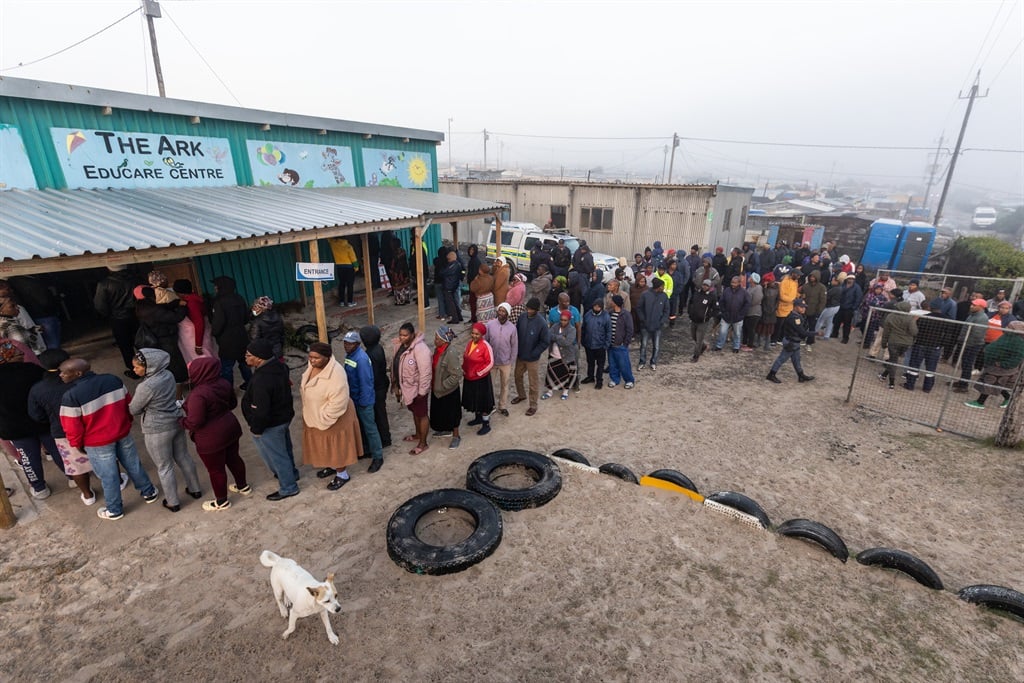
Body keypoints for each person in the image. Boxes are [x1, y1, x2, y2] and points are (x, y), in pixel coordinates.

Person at [59, 357, 159, 520]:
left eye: (64, 372)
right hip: (122, 433)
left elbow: (72, 426)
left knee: (109, 476)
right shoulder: (113, 380)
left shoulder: (70, 396)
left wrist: (76, 444)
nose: (61, 375)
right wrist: (126, 423)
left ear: (78, 373)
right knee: (133, 464)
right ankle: (149, 492)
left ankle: (114, 509)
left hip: (97, 443)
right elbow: (129, 404)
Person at [128, 348, 203, 512]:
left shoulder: (145, 386)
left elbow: (133, 409)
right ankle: (195, 489)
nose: (134, 370)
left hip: (156, 429)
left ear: (150, 367)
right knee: (183, 456)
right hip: (175, 420)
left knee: (164, 466)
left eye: (137, 367)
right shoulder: (168, 374)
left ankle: (173, 501)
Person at [181, 355, 250, 511]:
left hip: (210, 437)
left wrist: (180, 421)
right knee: (234, 458)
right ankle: (243, 486)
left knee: (216, 470)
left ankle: (221, 501)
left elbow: (195, 422)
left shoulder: (198, 394)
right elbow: (233, 403)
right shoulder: (224, 383)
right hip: (230, 427)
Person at [27, 348, 96, 504]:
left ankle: (87, 496)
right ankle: (117, 481)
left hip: (62, 432)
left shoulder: (38, 389)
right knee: (105, 457)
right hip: (91, 426)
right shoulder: (81, 380)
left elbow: (37, 415)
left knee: (76, 466)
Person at [301, 341, 363, 491]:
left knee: (336, 447)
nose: (312, 360)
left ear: (327, 358)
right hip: (314, 415)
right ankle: (331, 465)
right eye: (310, 357)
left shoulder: (336, 374)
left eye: (316, 358)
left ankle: (342, 474)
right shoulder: (313, 367)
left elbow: (338, 403)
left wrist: (324, 417)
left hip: (334, 419)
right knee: (324, 446)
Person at [242, 338, 298, 501]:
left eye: (248, 355)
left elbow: (262, 410)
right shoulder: (280, 367)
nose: (246, 357)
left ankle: (288, 487)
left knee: (276, 456)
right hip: (283, 417)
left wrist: (256, 429)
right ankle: (291, 474)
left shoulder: (262, 380)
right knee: (285, 449)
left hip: (270, 424)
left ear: (259, 357)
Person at [0, 339, 56, 499]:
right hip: (41, 420)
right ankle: (73, 478)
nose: (22, 353)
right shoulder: (32, 370)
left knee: (28, 457)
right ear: (7, 356)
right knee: (57, 450)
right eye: (17, 352)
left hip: (15, 427)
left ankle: (39, 489)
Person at [134, 285, 188, 396]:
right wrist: (182, 307)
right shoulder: (153, 309)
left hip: (156, 338)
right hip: (164, 338)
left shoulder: (141, 306)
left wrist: (174, 303)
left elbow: (163, 307)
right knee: (174, 363)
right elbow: (175, 317)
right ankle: (178, 392)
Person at [340, 332, 383, 470]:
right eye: (345, 343)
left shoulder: (361, 359)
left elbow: (366, 383)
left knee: (370, 429)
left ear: (357, 344)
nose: (346, 346)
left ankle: (378, 457)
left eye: (350, 343)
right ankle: (366, 450)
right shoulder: (351, 356)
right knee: (362, 428)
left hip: (363, 401)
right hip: (354, 399)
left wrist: (364, 403)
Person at [964, 321, 1024, 409]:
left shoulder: (1018, 342)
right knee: (998, 384)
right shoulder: (1007, 337)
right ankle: (1008, 398)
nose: (1006, 328)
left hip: (1002, 368)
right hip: (995, 365)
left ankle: (980, 402)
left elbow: (1017, 357)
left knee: (990, 383)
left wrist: (1003, 364)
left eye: (1010, 327)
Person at [93, 265, 139, 378]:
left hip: (118, 318)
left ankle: (135, 370)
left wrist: (109, 314)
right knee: (143, 341)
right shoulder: (137, 279)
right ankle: (150, 366)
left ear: (109, 268)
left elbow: (100, 305)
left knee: (125, 346)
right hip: (139, 315)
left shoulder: (104, 283)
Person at [393, 322, 432, 455]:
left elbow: (425, 372)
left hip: (418, 389)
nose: (402, 337)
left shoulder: (421, 349)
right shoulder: (400, 346)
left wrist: (422, 391)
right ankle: (417, 434)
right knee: (415, 412)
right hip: (407, 388)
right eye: (400, 335)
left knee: (422, 414)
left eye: (405, 335)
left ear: (412, 335)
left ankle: (423, 443)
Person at [210, 276, 253, 388]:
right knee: (244, 363)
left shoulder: (219, 302)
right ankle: (250, 384)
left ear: (220, 287)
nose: (215, 288)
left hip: (227, 339)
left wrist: (214, 333)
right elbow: (246, 318)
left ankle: (228, 390)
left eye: (216, 286)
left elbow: (218, 322)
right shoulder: (239, 298)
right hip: (241, 336)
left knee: (227, 367)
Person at [513, 298, 550, 416]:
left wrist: (535, 352)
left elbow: (545, 341)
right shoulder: (522, 317)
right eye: (527, 308)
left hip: (532, 359)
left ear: (536, 310)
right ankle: (521, 395)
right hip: (520, 355)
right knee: (517, 376)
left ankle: (533, 405)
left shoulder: (542, 323)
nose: (528, 311)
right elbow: (517, 333)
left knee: (533, 382)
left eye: (531, 309)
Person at [766, 298, 815, 384]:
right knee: (782, 359)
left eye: (804, 307)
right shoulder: (794, 318)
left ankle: (801, 375)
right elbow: (802, 331)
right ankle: (771, 374)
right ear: (795, 307)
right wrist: (815, 333)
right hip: (791, 342)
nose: (804, 309)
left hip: (794, 342)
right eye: (801, 307)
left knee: (796, 359)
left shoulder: (796, 316)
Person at [359, 325, 392, 449]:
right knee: (381, 412)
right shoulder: (378, 347)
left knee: (379, 413)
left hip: (377, 387)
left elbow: (371, 375)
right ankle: (385, 437)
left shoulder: (370, 354)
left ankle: (384, 439)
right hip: (382, 384)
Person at [8, 275, 61, 350]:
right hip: (43, 315)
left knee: (45, 345)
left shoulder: (13, 280)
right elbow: (44, 301)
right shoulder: (25, 281)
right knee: (52, 345)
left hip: (34, 316)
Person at [173, 279, 217, 366]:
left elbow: (199, 323)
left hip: (196, 338)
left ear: (180, 293)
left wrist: (198, 345)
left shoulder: (191, 303)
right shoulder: (196, 298)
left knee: (203, 361)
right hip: (203, 334)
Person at [485, 302, 518, 417]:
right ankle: (490, 405)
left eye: (503, 311)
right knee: (490, 384)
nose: (501, 313)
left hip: (506, 362)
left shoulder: (512, 328)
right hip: (492, 362)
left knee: (505, 384)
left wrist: (511, 360)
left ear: (507, 314)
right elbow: (486, 341)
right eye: (500, 310)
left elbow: (514, 346)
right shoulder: (490, 325)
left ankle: (502, 406)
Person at [952, 298, 993, 393]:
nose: (971, 306)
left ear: (981, 307)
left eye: (974, 305)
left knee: (967, 364)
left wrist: (967, 343)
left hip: (972, 344)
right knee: (965, 363)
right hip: (967, 343)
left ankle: (964, 385)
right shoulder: (973, 315)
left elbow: (977, 334)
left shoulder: (981, 318)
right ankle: (962, 381)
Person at [462, 322, 495, 434]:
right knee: (474, 400)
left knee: (483, 402)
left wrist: (479, 373)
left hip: (481, 380)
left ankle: (486, 424)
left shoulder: (486, 346)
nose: (474, 336)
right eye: (473, 333)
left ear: (482, 335)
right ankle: (478, 418)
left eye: (477, 334)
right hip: (469, 378)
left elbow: (490, 362)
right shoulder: (469, 344)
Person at [878, 301, 917, 389]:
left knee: (893, 361)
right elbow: (914, 331)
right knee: (894, 360)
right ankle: (884, 375)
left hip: (894, 342)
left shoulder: (891, 316)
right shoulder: (910, 318)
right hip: (906, 343)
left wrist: (884, 343)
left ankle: (891, 382)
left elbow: (886, 332)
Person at [543, 310, 578, 401]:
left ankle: (565, 392)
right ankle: (549, 391)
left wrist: (556, 337)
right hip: (553, 355)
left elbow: (567, 342)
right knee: (551, 374)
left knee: (565, 375)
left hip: (566, 356)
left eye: (565, 320)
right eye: (562, 320)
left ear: (569, 320)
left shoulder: (572, 329)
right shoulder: (555, 326)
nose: (563, 322)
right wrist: (561, 337)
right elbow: (549, 335)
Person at [637, 277, 670, 369]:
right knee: (643, 345)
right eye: (662, 286)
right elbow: (639, 308)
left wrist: (662, 321)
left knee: (657, 346)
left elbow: (666, 310)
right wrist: (643, 319)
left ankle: (653, 362)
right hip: (645, 325)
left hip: (658, 326)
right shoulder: (645, 295)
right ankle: (642, 361)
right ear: (658, 287)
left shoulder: (664, 296)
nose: (663, 288)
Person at [715, 275, 750, 354]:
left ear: (739, 283)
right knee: (722, 331)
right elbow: (722, 301)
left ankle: (736, 347)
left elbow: (747, 304)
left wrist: (741, 314)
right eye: (732, 282)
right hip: (726, 316)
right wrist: (723, 312)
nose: (732, 284)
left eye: (734, 283)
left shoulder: (744, 292)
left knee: (737, 333)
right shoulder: (727, 290)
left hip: (738, 317)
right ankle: (719, 345)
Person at [581, 299, 611, 389]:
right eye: (595, 306)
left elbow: (609, 331)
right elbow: (583, 328)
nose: (596, 308)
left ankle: (599, 381)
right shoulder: (587, 315)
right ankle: (590, 377)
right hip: (589, 344)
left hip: (600, 345)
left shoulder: (606, 317)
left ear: (601, 307)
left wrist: (606, 344)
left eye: (598, 307)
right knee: (590, 362)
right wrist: (583, 340)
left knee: (600, 364)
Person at [606, 295, 635, 389]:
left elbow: (630, 329)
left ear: (615, 303)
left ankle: (629, 380)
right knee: (612, 363)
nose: (610, 301)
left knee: (624, 364)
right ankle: (614, 379)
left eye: (612, 300)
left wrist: (625, 343)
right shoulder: (610, 313)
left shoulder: (625, 314)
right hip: (611, 344)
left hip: (620, 345)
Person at [688, 279, 718, 362]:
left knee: (699, 339)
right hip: (694, 319)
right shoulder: (697, 293)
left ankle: (696, 356)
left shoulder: (712, 296)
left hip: (703, 321)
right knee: (693, 336)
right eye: (704, 285)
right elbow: (690, 303)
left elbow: (716, 309)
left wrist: (708, 316)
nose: (705, 287)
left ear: (710, 287)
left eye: (707, 285)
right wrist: (689, 312)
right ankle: (703, 346)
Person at [328, 236, 360, 307]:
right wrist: (356, 267)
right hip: (349, 267)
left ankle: (341, 301)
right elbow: (353, 258)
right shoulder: (348, 246)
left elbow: (328, 238)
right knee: (350, 285)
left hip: (339, 267)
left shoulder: (333, 244)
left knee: (342, 284)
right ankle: (350, 302)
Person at [801, 270, 827, 348]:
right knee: (802, 325)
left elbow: (823, 301)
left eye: (813, 277)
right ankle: (801, 337)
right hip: (804, 309)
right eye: (811, 277)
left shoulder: (822, 288)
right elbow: (802, 294)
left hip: (814, 310)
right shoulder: (806, 286)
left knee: (812, 327)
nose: (812, 278)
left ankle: (810, 342)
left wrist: (819, 311)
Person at [441, 248, 465, 324]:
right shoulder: (457, 264)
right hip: (453, 285)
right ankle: (459, 316)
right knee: (454, 301)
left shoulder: (453, 265)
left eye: (448, 259)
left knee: (451, 303)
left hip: (449, 285)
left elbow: (443, 272)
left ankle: (455, 318)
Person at [741, 272, 763, 351]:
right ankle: (744, 342)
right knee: (745, 328)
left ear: (753, 280)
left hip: (754, 312)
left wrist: (747, 303)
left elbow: (756, 300)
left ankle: (750, 345)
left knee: (751, 329)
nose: (748, 278)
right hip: (748, 312)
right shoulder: (750, 287)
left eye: (750, 277)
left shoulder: (758, 288)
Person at [758, 273, 778, 351]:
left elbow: (767, 297)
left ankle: (764, 344)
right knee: (764, 329)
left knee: (766, 330)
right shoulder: (776, 289)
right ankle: (763, 344)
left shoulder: (766, 290)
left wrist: (765, 288)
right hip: (768, 312)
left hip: (768, 312)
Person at [466, 244, 483, 321]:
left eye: (472, 250)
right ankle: (473, 317)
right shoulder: (472, 260)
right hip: (472, 284)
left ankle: (474, 318)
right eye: (470, 250)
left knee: (473, 302)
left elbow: (475, 274)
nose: (471, 251)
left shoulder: (475, 261)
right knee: (472, 302)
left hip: (474, 286)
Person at [432, 246, 449, 320]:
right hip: (445, 282)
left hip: (437, 282)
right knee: (446, 298)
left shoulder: (436, 260)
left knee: (440, 299)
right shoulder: (447, 261)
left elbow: (434, 261)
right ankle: (447, 313)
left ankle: (442, 314)